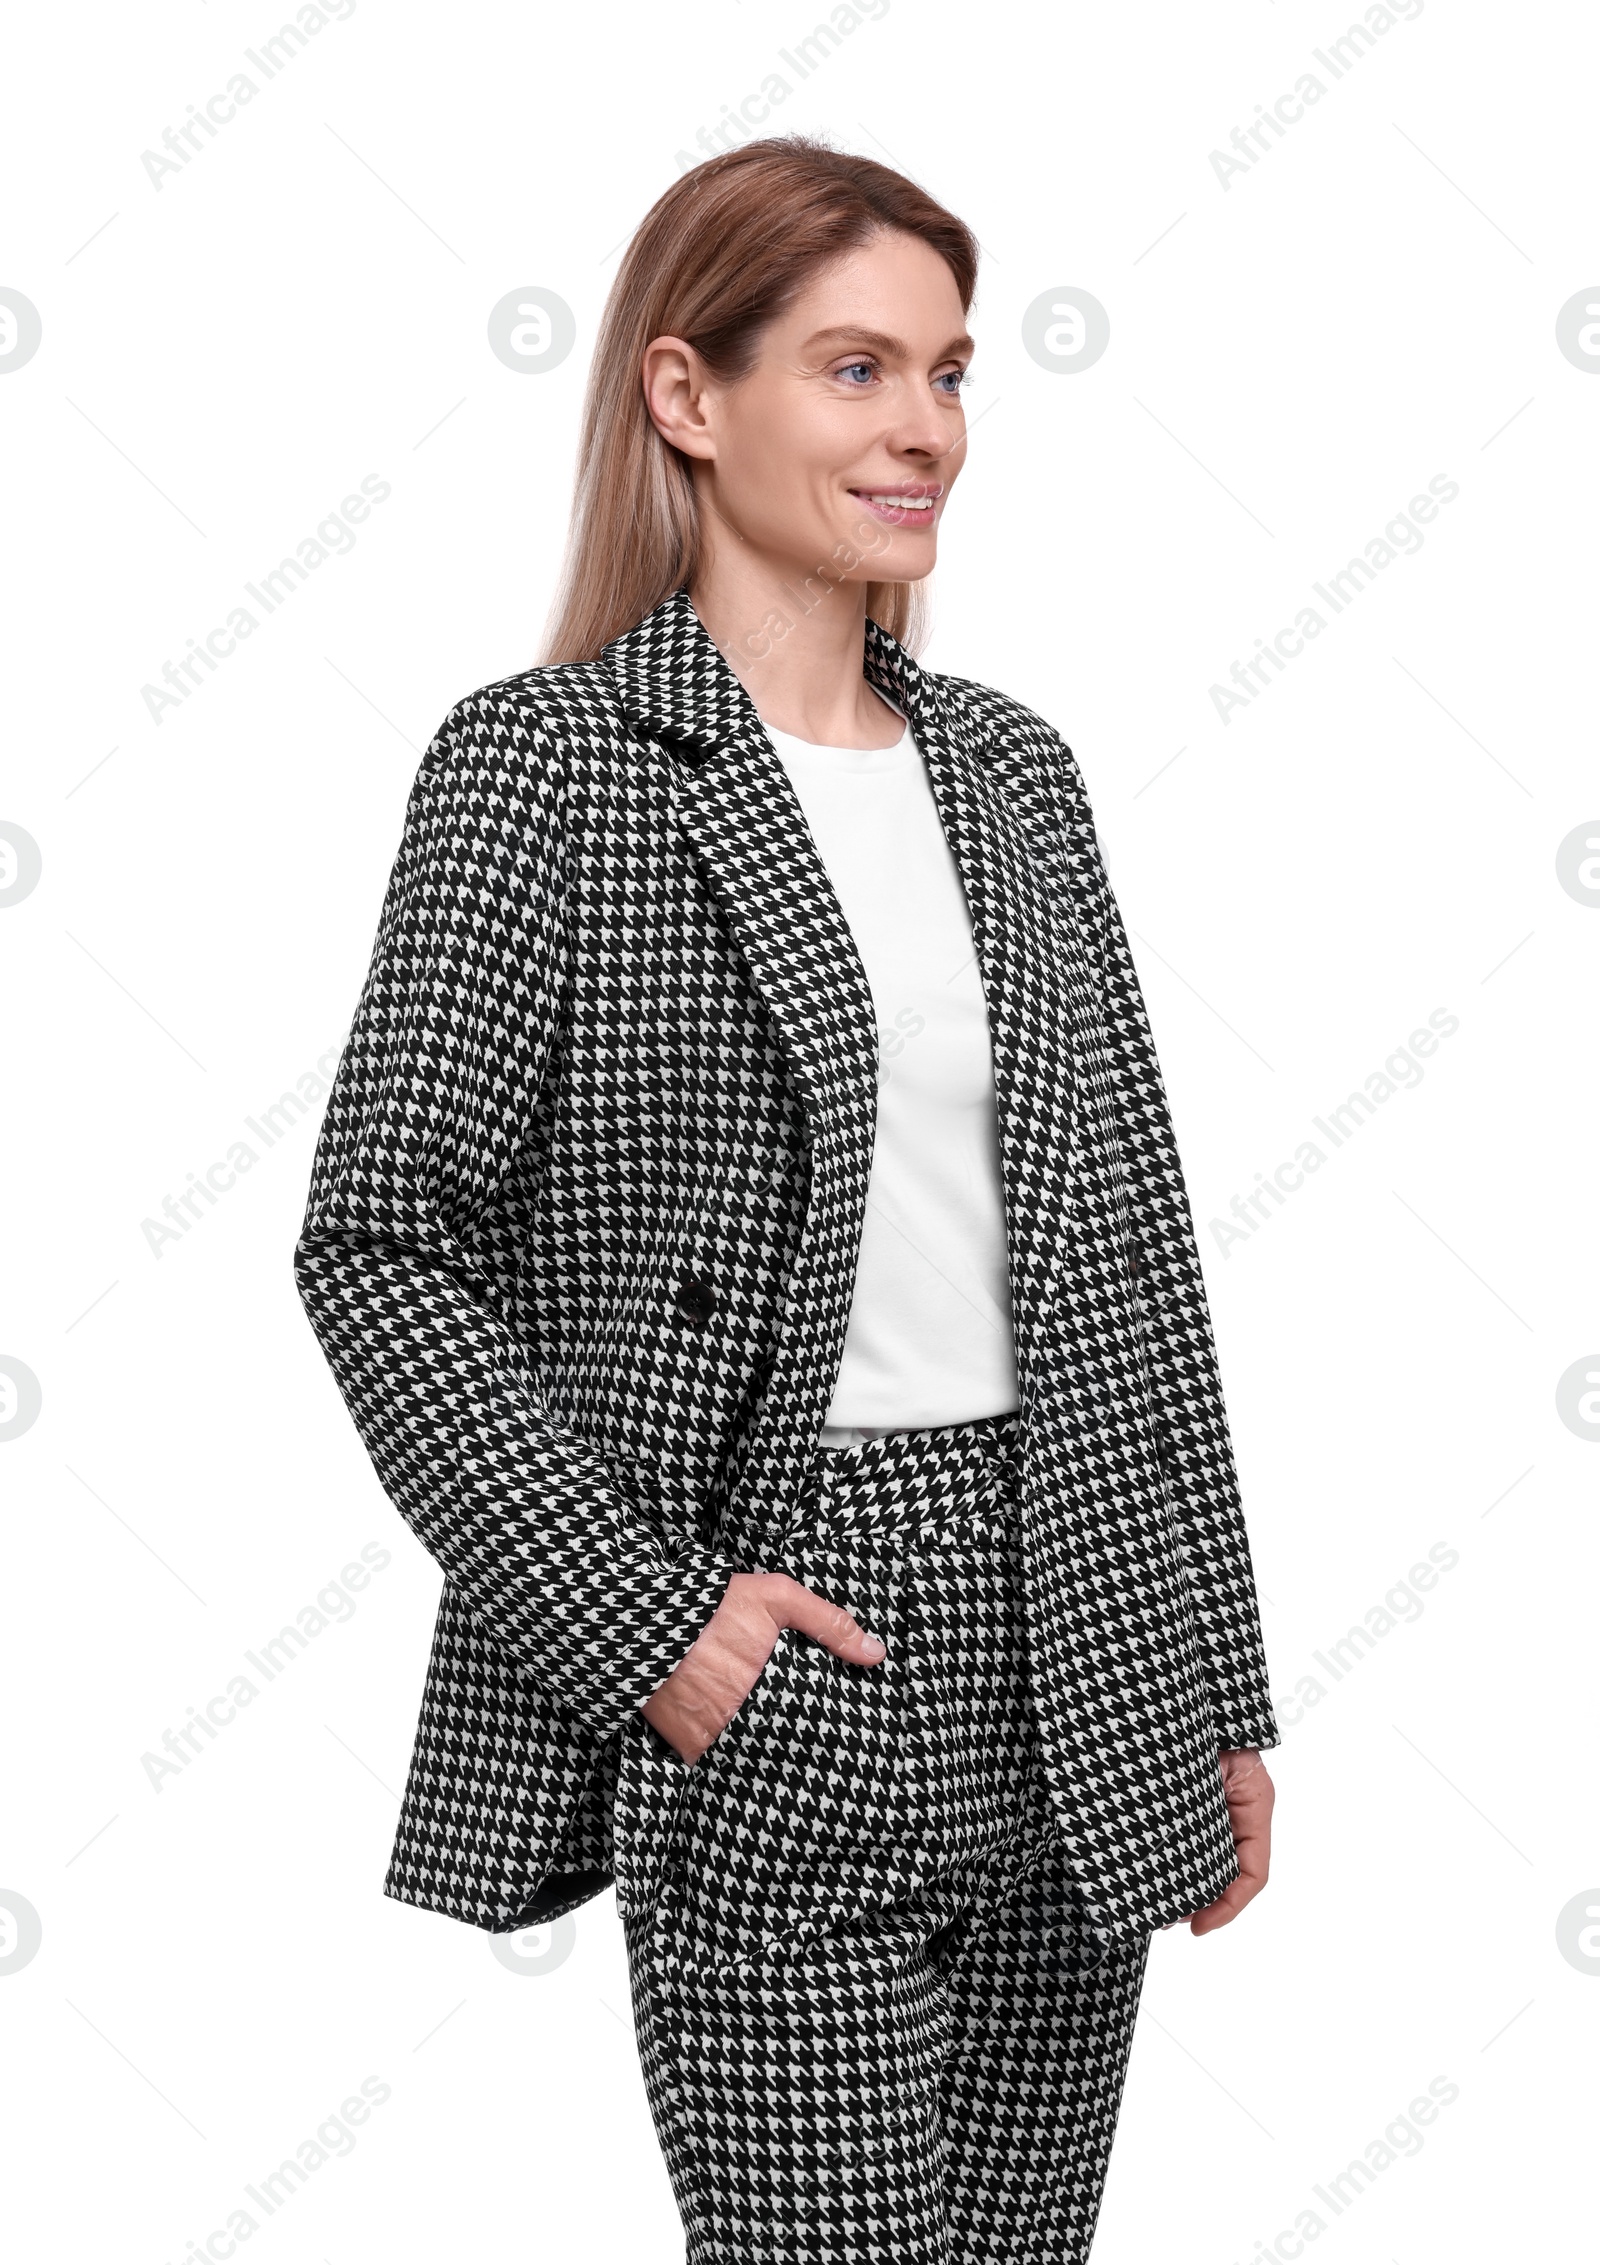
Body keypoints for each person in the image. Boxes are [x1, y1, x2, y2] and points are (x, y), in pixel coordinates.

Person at [293, 132, 1280, 2265]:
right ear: (683, 392)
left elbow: (1130, 1257)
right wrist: (661, 1635)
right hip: (784, 1626)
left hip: (1076, 1618)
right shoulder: (544, 768)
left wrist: (1211, 1679)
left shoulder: (1014, 769)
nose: (922, 423)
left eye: (943, 371)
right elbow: (382, 1239)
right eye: (850, 368)